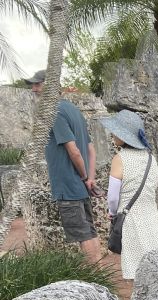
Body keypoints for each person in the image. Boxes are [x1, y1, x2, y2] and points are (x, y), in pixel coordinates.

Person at [26, 70, 101, 263]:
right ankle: (100, 276)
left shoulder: (54, 111)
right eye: (33, 85)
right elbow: (91, 150)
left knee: (83, 235)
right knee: (90, 232)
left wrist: (84, 177)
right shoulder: (73, 110)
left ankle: (95, 282)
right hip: (80, 185)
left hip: (69, 186)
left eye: (37, 84)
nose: (33, 89)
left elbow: (73, 150)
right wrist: (90, 178)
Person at [99, 109, 158, 280]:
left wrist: (112, 213)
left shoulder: (119, 159)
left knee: (137, 271)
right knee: (156, 269)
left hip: (131, 221)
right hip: (151, 219)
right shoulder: (151, 158)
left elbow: (113, 197)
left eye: (116, 130)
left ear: (124, 135)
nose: (112, 133)